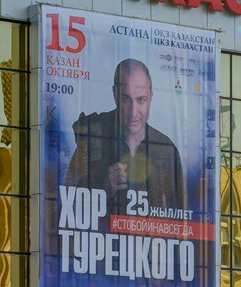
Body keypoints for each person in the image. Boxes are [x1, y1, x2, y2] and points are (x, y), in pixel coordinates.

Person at [64, 58, 184, 222]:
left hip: (151, 246)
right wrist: (104, 190)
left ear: (151, 97)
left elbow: (181, 219)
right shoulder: (93, 138)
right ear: (114, 94)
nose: (134, 112)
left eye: (141, 99)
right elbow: (67, 205)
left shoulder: (166, 148)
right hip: (101, 245)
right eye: (126, 99)